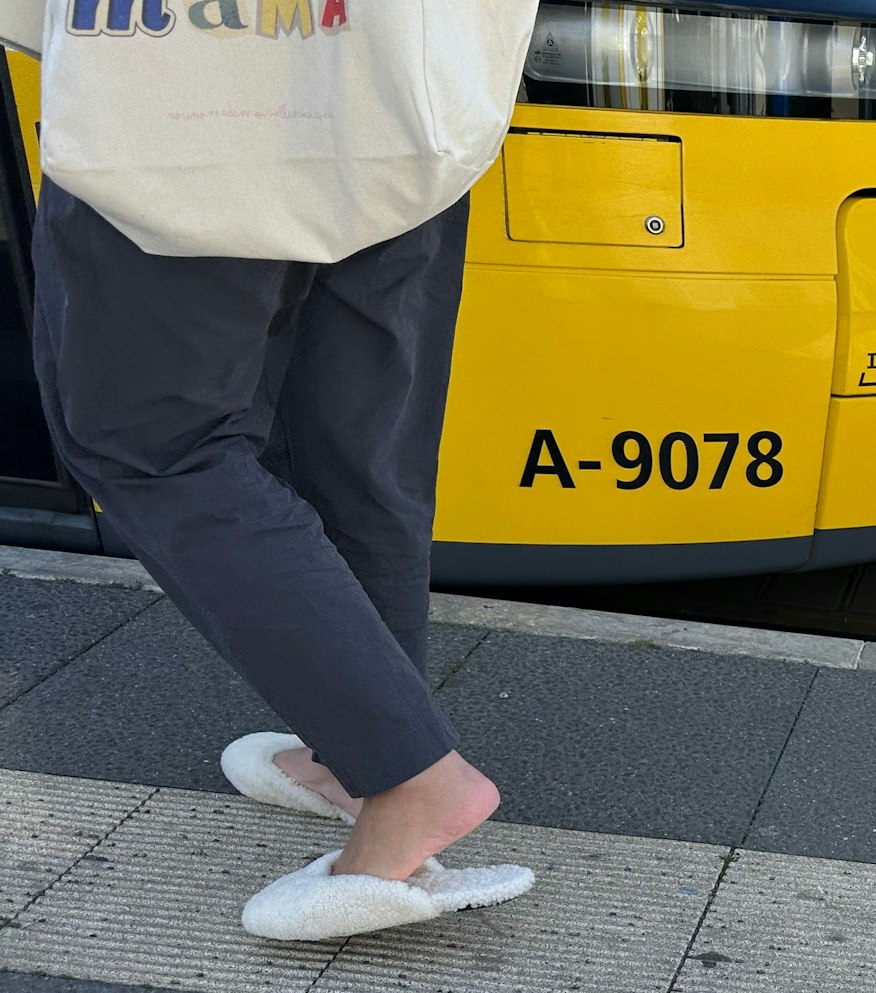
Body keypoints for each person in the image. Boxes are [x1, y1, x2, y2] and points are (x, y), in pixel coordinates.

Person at [26, 9, 537, 941]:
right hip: (403, 90)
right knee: (348, 440)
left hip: (185, 90)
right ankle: (355, 756)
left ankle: (410, 779)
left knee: (152, 442)